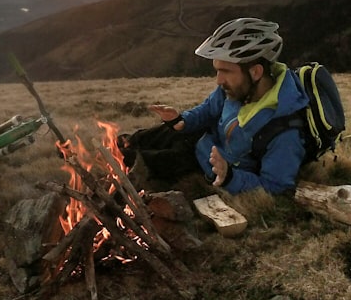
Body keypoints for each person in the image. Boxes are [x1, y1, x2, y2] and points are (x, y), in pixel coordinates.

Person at [122, 17, 310, 195]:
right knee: (135, 139)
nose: (219, 80)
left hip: (207, 166)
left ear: (255, 72)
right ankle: (124, 147)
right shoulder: (238, 89)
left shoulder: (284, 132)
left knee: (141, 161)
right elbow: (208, 109)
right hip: (202, 140)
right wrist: (182, 120)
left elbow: (275, 187)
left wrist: (229, 176)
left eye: (225, 71)